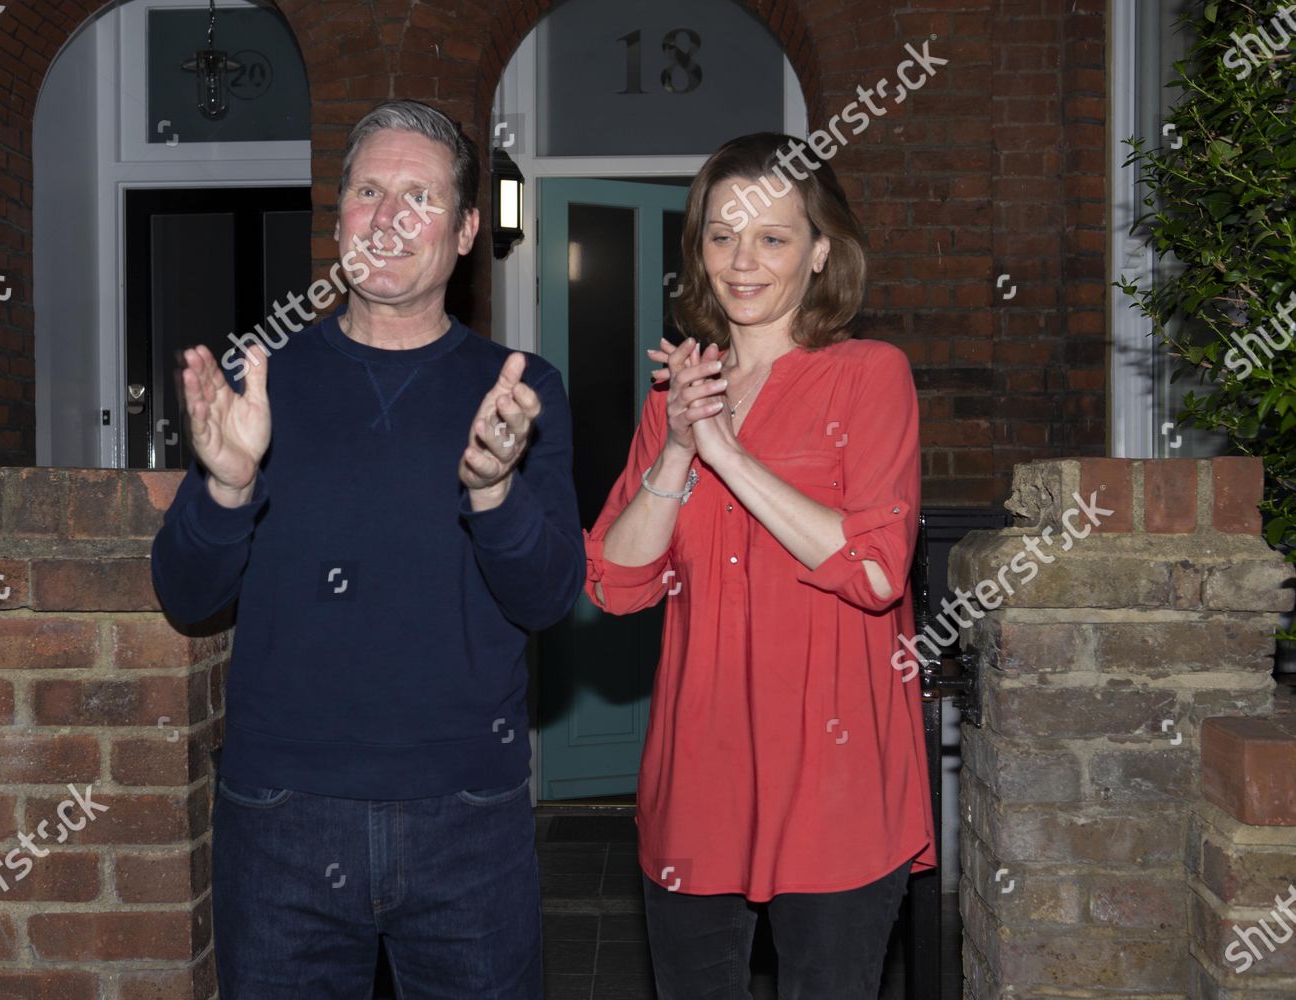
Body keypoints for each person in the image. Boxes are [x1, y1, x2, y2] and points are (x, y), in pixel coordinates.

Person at [151, 99, 584, 999]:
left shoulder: (519, 391)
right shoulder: (259, 383)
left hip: (469, 817)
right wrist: (228, 483)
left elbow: (547, 599)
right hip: (281, 820)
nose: (388, 219)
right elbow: (185, 594)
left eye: (419, 197)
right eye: (368, 192)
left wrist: (494, 492)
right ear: (338, 213)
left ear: (466, 230)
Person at [583, 132, 936, 999]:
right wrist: (675, 452)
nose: (742, 262)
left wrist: (728, 456)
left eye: (772, 238)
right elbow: (615, 584)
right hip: (697, 776)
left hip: (835, 782)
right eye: (721, 235)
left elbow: (878, 570)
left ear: (820, 251)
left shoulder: (869, 375)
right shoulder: (676, 395)